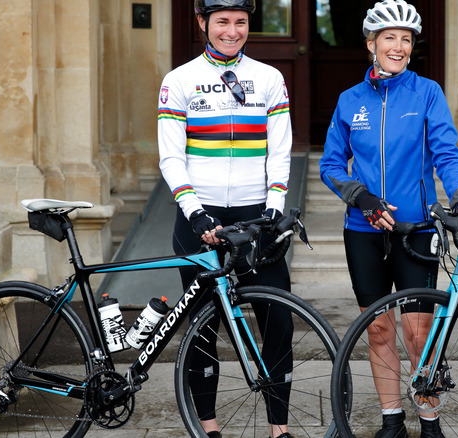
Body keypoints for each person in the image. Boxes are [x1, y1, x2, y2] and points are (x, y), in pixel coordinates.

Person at [319, 1, 458, 437]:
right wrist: (363, 198)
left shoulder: (426, 92)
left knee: (418, 332)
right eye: (389, 37)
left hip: (418, 232)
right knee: (377, 329)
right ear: (371, 43)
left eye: (406, 39)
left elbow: (447, 152)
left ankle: (429, 420)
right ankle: (392, 420)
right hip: (363, 232)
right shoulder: (349, 101)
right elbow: (331, 165)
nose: (399, 46)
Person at [157, 1, 294, 437]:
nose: (232, 32)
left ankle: (279, 428)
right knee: (203, 329)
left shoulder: (270, 78)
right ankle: (210, 428)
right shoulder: (178, 81)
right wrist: (194, 213)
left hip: (256, 218)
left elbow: (280, 150)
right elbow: (171, 156)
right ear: (203, 23)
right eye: (222, 23)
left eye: (240, 22)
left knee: (277, 320)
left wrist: (274, 207)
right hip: (201, 220)